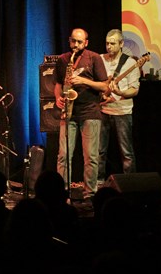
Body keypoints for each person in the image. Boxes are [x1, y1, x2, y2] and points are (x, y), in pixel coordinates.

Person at [54, 28, 108, 199]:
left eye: (79, 42)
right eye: (73, 41)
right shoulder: (63, 59)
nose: (75, 45)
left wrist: (83, 80)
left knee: (91, 157)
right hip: (69, 112)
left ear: (86, 42)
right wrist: (58, 98)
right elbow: (57, 83)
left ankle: (90, 194)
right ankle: (61, 193)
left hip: (90, 112)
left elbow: (105, 86)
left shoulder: (94, 58)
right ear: (69, 40)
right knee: (63, 155)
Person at [98, 29, 139, 184]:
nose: (109, 46)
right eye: (107, 43)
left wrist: (120, 91)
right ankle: (98, 183)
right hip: (102, 110)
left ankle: (130, 184)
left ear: (121, 44)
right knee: (99, 151)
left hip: (122, 112)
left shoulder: (130, 63)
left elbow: (134, 90)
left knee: (126, 152)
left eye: (113, 43)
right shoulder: (100, 59)